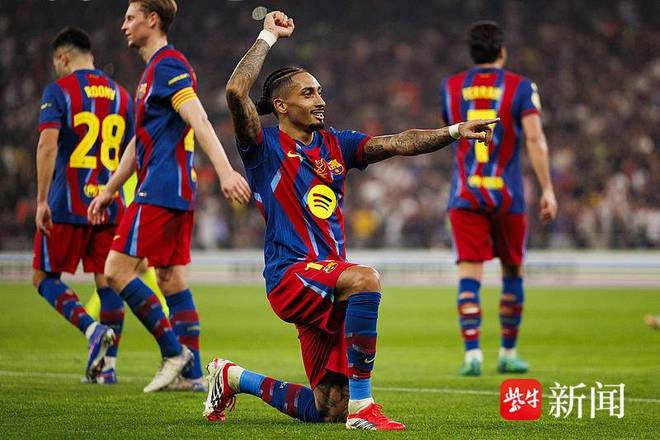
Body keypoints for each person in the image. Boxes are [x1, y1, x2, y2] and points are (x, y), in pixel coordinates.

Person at [203, 11, 497, 431]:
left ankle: (231, 377)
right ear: (281, 105)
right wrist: (267, 35)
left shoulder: (337, 144)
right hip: (292, 274)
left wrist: (453, 131)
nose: (320, 100)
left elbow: (398, 142)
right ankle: (364, 407)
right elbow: (236, 91)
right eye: (308, 93)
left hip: (329, 279)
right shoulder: (262, 147)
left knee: (327, 409)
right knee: (365, 279)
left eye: (320, 92)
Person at [88, 0, 251, 393]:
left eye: (130, 17)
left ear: (152, 20)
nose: (123, 25)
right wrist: (109, 190)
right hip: (174, 189)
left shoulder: (169, 65)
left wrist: (226, 170)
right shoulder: (151, 74)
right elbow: (138, 144)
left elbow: (198, 118)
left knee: (116, 270)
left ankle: (173, 352)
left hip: (160, 187)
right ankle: (191, 376)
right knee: (171, 279)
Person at [439, 21, 558, 376]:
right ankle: (507, 352)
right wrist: (547, 188)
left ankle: (472, 355)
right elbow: (534, 138)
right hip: (508, 194)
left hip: (465, 193)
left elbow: (452, 131)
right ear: (502, 51)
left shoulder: (450, 87)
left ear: (472, 52)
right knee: (512, 270)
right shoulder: (521, 86)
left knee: (469, 272)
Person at [33, 27, 132, 383]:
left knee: (43, 277)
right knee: (108, 283)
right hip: (109, 204)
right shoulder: (122, 95)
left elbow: (48, 146)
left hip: (67, 203)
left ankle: (92, 329)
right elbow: (133, 152)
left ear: (63, 58)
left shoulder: (59, 91)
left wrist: (41, 200)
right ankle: (107, 369)